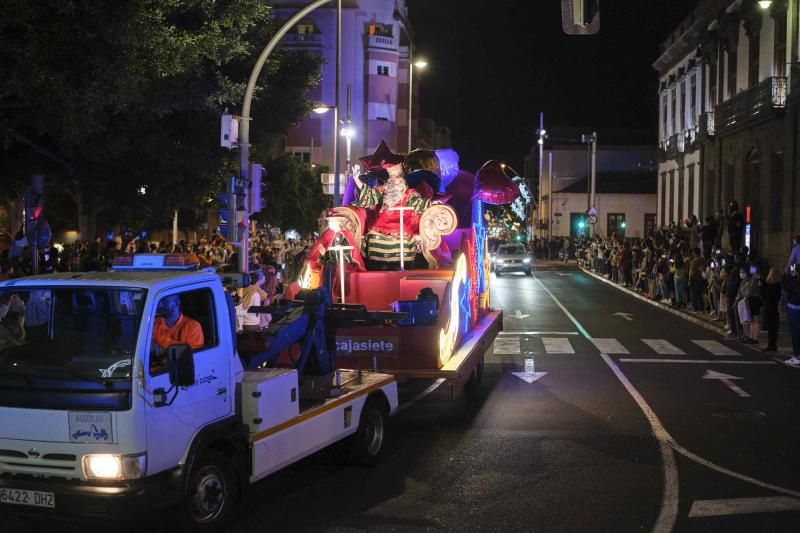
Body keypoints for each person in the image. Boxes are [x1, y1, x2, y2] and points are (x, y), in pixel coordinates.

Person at [783, 262, 800, 365]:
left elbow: (786, 286)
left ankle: (796, 356)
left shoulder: (794, 281)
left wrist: (788, 275)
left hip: (794, 308)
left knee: (795, 333)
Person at [762, 267, 782, 352]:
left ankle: (771, 345)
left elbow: (766, 296)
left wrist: (761, 288)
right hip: (773, 309)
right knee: (773, 328)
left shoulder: (773, 286)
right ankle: (772, 344)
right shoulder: (777, 285)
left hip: (770, 308)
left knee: (772, 328)